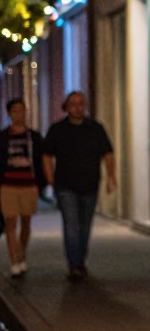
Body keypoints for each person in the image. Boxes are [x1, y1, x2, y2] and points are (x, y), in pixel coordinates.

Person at [42, 91, 116, 280]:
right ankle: (74, 265)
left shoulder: (95, 128)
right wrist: (50, 178)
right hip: (65, 185)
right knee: (72, 225)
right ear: (66, 107)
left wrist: (111, 176)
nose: (77, 107)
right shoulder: (58, 129)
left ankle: (80, 260)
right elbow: (47, 155)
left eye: (81, 103)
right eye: (73, 104)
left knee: (85, 226)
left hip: (90, 184)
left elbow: (107, 153)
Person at [0, 98, 46, 278]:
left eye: (21, 111)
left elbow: (41, 160)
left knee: (26, 222)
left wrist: (42, 183)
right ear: (9, 114)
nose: (19, 114)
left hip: (28, 185)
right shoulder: (3, 137)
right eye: (15, 111)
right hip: (8, 185)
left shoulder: (34, 137)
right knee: (10, 222)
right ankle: (14, 260)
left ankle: (22, 254)